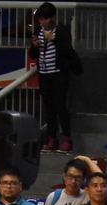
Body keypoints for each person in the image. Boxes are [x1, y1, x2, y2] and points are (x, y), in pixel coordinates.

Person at [30, 2, 80, 152]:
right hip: (44, 75)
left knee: (60, 106)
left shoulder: (61, 30)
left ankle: (66, 138)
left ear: (52, 18)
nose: (42, 22)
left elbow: (67, 50)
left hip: (59, 74)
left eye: (45, 19)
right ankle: (51, 138)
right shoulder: (38, 31)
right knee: (48, 107)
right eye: (40, 19)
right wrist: (35, 46)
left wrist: (54, 39)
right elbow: (32, 55)